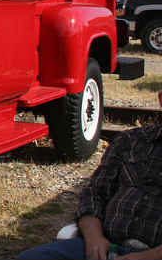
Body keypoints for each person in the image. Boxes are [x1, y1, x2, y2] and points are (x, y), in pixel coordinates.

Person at [18, 91, 162, 260]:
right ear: (160, 99)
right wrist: (94, 239)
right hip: (104, 246)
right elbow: (94, 194)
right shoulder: (131, 141)